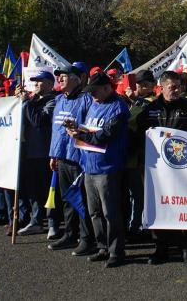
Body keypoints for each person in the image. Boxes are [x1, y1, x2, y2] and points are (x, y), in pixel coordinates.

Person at [136, 70, 187, 266]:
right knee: (157, 207)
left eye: (180, 87)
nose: (177, 90)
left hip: (183, 169)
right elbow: (137, 136)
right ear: (162, 87)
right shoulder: (150, 109)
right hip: (156, 171)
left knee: (185, 206)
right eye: (172, 87)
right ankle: (161, 249)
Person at [67, 71, 130, 268]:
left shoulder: (118, 107)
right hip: (90, 166)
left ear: (107, 88)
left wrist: (81, 136)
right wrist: (77, 130)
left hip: (108, 168)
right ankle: (102, 247)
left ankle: (116, 251)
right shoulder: (95, 104)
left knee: (110, 212)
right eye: (90, 91)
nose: (92, 94)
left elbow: (107, 135)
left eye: (95, 90)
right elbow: (90, 129)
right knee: (94, 212)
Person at [46, 63, 93, 252]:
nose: (59, 78)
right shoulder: (59, 100)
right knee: (67, 199)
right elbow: (56, 130)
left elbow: (91, 127)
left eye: (64, 75)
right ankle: (70, 234)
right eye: (58, 76)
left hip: (80, 158)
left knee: (82, 199)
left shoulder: (87, 99)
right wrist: (54, 155)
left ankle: (86, 239)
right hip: (62, 157)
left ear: (78, 79)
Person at [17, 71, 58, 236]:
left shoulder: (54, 101)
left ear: (49, 84)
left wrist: (26, 102)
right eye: (35, 81)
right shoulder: (34, 100)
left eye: (40, 81)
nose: (36, 84)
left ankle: (52, 222)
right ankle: (36, 221)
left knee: (47, 190)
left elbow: (39, 121)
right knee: (32, 189)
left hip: (43, 152)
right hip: (29, 151)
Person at [123, 69, 156, 236]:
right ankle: (133, 224)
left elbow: (152, 110)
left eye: (144, 85)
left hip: (142, 155)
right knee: (131, 193)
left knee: (139, 193)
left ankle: (136, 226)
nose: (140, 88)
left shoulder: (151, 101)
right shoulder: (135, 101)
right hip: (129, 154)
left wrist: (135, 98)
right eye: (138, 85)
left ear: (152, 86)